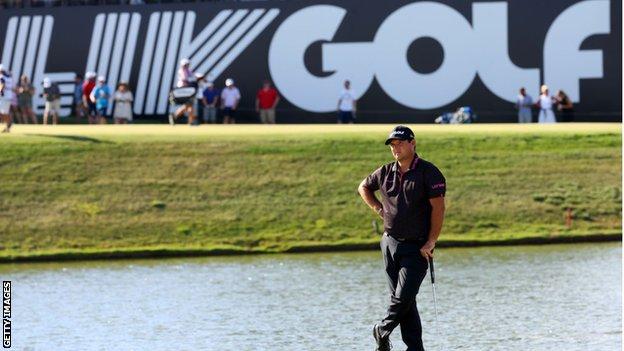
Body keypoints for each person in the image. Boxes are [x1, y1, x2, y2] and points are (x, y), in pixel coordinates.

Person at [358, 125, 446, 351]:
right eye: (392, 145)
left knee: (403, 296)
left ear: (412, 143)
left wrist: (431, 241)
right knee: (404, 300)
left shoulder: (429, 172)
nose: (396, 148)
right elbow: (364, 187)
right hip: (389, 243)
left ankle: (382, 329)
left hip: (417, 247)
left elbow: (438, 209)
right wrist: (379, 209)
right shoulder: (386, 171)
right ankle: (415, 349)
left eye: (400, 143)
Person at [170, 58, 205, 125]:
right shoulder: (182, 71)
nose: (186, 65)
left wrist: (199, 77)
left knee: (188, 106)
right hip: (184, 90)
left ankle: (176, 117)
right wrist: (196, 78)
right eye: (185, 64)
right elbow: (185, 79)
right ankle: (188, 120)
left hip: (189, 90)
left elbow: (193, 76)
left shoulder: (189, 70)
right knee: (189, 106)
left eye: (187, 64)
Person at [0, 64, 14, 133]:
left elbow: (2, 84)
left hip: (4, 97)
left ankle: (10, 123)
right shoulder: (9, 77)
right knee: (4, 113)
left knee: (4, 113)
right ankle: (8, 125)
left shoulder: (2, 76)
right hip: (7, 96)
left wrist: (1, 92)